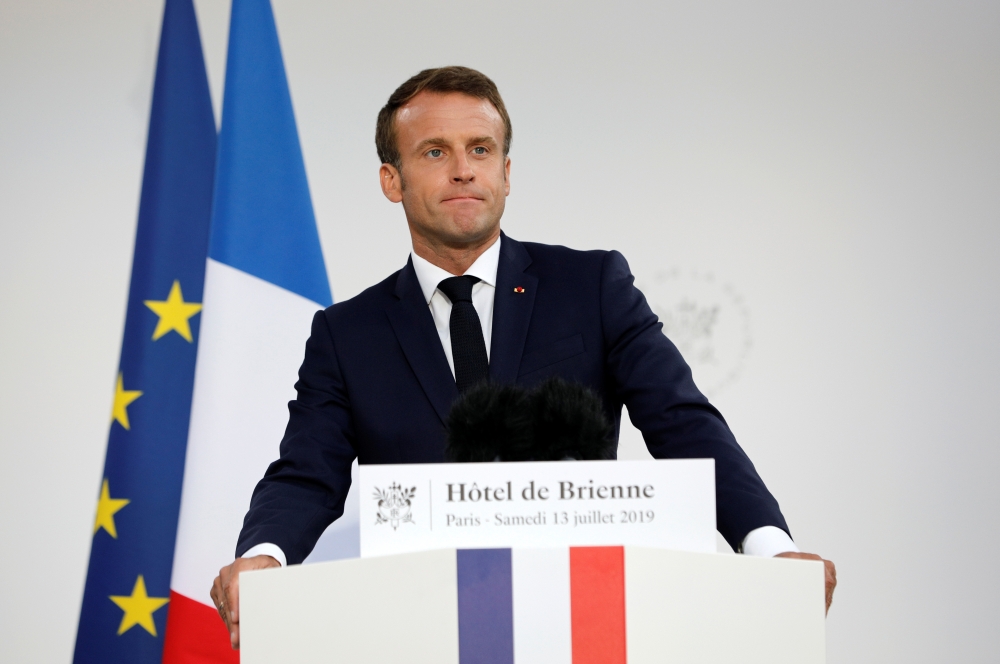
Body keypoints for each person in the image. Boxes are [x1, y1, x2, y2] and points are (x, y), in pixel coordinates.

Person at [210, 66, 836, 648]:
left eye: (480, 149)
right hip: (422, 631)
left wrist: (770, 550)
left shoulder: (591, 287)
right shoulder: (347, 334)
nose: (463, 170)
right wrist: (264, 555)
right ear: (391, 180)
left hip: (583, 624)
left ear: (507, 172)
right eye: (435, 152)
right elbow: (306, 473)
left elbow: (683, 422)